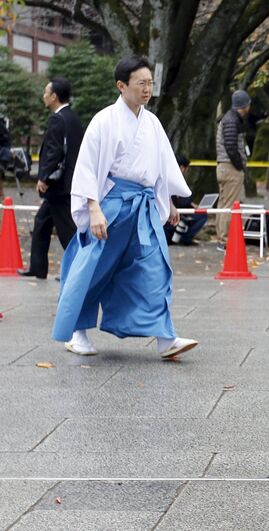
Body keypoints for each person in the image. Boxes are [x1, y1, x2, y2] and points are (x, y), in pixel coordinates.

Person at [51, 55, 197, 359]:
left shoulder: (152, 122)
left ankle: (164, 338)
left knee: (153, 268)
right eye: (141, 83)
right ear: (122, 86)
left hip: (144, 205)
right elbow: (88, 167)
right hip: (113, 203)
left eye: (150, 83)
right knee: (95, 269)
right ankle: (78, 332)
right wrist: (93, 208)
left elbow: (160, 166)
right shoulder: (104, 120)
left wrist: (167, 200)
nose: (147, 90)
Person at [18, 78, 83, 279]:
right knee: (42, 222)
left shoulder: (57, 119)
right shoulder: (73, 118)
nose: (44, 96)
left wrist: (44, 178)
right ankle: (38, 268)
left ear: (54, 96)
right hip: (69, 182)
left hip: (58, 185)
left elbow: (54, 152)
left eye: (46, 93)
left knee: (67, 230)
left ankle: (78, 269)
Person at [215, 89, 251, 251]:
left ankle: (221, 237)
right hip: (230, 167)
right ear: (244, 105)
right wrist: (239, 165)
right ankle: (225, 240)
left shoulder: (227, 119)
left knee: (223, 204)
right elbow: (231, 146)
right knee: (230, 205)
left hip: (223, 166)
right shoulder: (232, 121)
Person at [164, 155, 208, 246]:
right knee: (202, 215)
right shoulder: (176, 180)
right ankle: (186, 238)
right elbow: (181, 201)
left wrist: (191, 203)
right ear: (182, 168)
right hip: (172, 219)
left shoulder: (165, 176)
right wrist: (190, 204)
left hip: (168, 219)